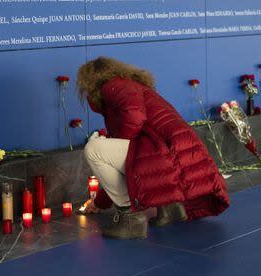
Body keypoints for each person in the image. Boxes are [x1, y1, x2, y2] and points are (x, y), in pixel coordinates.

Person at [77, 57, 230, 239]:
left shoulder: (113, 86)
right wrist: (100, 202)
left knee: (94, 148)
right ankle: (172, 208)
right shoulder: (129, 86)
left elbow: (135, 117)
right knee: (132, 151)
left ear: (92, 81)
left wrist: (128, 150)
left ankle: (131, 220)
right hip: (175, 152)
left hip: (167, 151)